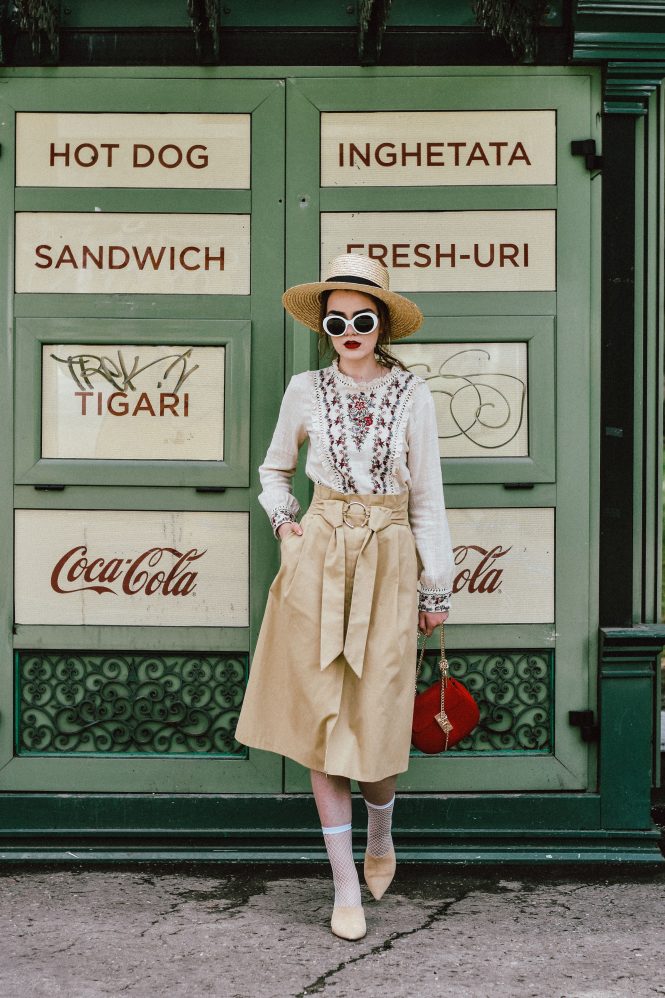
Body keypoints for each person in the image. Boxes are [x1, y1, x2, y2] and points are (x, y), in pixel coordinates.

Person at [234, 252, 454, 941]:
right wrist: (286, 524)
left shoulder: (411, 393)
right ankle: (343, 885)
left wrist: (435, 586)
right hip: (318, 557)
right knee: (320, 729)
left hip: (387, 559)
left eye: (362, 318)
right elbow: (272, 470)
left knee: (379, 729)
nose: (349, 330)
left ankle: (381, 833)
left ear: (381, 322)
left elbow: (427, 498)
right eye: (337, 320)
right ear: (324, 325)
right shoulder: (304, 389)